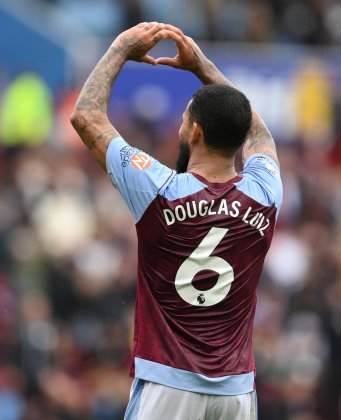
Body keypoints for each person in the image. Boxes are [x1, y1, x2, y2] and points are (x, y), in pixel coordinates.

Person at [70, 22, 282, 420]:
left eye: (184, 119)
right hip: (236, 392)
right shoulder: (266, 192)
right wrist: (202, 66)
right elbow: (257, 131)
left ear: (195, 132)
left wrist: (119, 48)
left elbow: (86, 116)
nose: (179, 126)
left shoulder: (158, 189)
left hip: (168, 385)